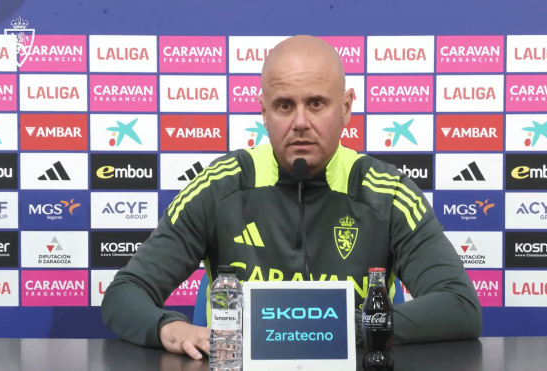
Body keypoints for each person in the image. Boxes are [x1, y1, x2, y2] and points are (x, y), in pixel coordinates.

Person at [101, 35, 482, 360]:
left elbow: (459, 307)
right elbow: (125, 294)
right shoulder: (221, 186)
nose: (300, 122)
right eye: (285, 105)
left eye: (316, 103)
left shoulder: (389, 192)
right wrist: (171, 327)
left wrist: (340, 329)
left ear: (346, 107)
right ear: (264, 112)